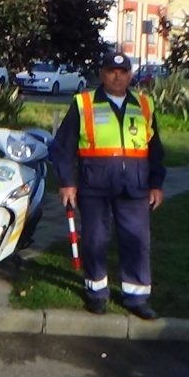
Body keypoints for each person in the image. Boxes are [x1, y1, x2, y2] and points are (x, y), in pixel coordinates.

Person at [48, 50, 166, 320]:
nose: (117, 76)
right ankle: (96, 293)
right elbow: (63, 148)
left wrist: (156, 184)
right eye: (111, 71)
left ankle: (136, 297)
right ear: (102, 74)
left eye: (123, 72)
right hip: (94, 186)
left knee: (137, 241)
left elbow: (155, 150)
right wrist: (67, 182)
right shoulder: (84, 103)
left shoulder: (144, 106)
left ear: (130, 75)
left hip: (135, 186)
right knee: (95, 239)